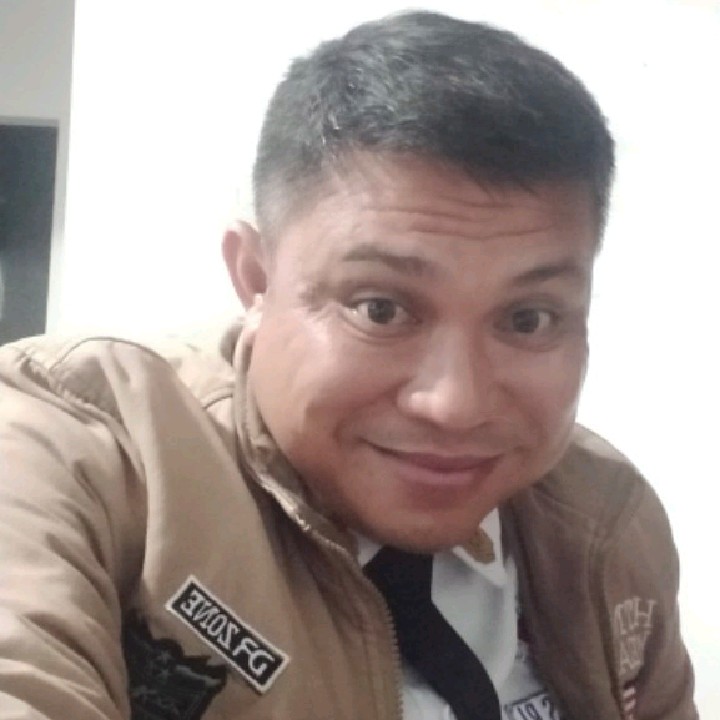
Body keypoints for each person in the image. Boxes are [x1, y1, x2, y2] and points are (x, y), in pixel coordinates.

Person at [0, 10, 697, 720]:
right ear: (256, 279)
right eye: (381, 309)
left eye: (528, 319)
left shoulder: (604, 522)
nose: (454, 404)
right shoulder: (74, 449)